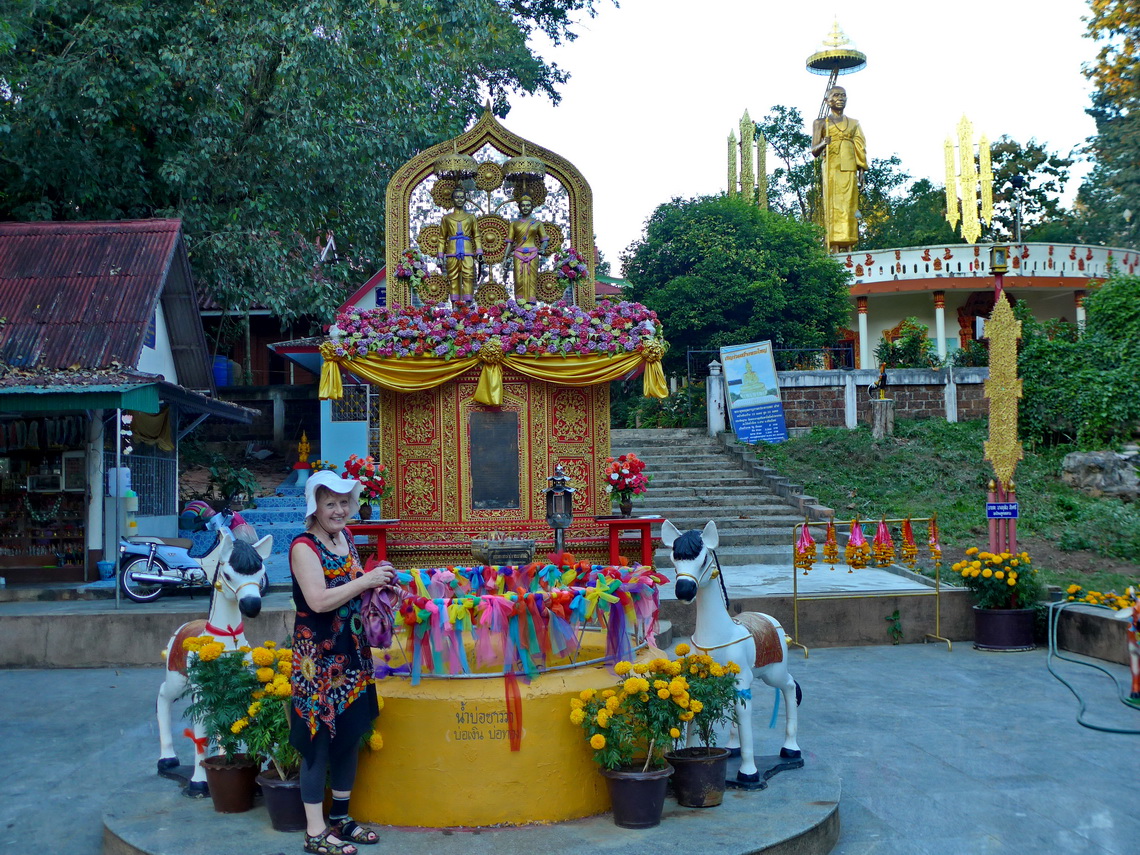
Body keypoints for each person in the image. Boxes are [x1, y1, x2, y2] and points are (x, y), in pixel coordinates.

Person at [289, 470, 395, 855]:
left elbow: (351, 587)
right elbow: (318, 600)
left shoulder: (345, 538)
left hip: (351, 654)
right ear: (314, 506)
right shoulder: (304, 547)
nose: (339, 510)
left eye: (344, 502)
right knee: (317, 741)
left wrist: (379, 586)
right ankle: (314, 831)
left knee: (349, 735)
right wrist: (365, 581)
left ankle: (341, 819)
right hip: (316, 661)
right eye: (330, 503)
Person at [811, 86, 867, 252]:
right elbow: (814, 150)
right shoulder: (821, 123)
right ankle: (834, 244)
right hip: (832, 168)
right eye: (836, 95)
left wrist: (862, 171)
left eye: (843, 95)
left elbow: (860, 146)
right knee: (833, 206)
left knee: (850, 205)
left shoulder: (854, 123)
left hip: (849, 167)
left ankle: (850, 244)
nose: (840, 98)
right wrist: (823, 143)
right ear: (827, 100)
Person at [437, 185, 483, 303]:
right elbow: (442, 238)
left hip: (467, 252)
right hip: (452, 252)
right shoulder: (446, 218)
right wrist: (440, 256)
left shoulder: (471, 217)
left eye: (462, 197)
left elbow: (476, 235)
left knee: (468, 278)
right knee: (453, 279)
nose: (459, 200)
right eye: (457, 197)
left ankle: (468, 308)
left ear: (465, 199)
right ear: (453, 199)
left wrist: (479, 252)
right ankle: (455, 309)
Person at [501, 194, 548, 303]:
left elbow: (544, 239)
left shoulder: (537, 223)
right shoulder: (514, 224)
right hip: (518, 254)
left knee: (532, 280)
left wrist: (543, 248)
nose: (525, 208)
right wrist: (505, 257)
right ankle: (519, 305)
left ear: (532, 207)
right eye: (523, 205)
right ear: (519, 207)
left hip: (533, 254)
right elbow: (510, 242)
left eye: (528, 205)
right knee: (518, 280)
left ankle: (531, 306)